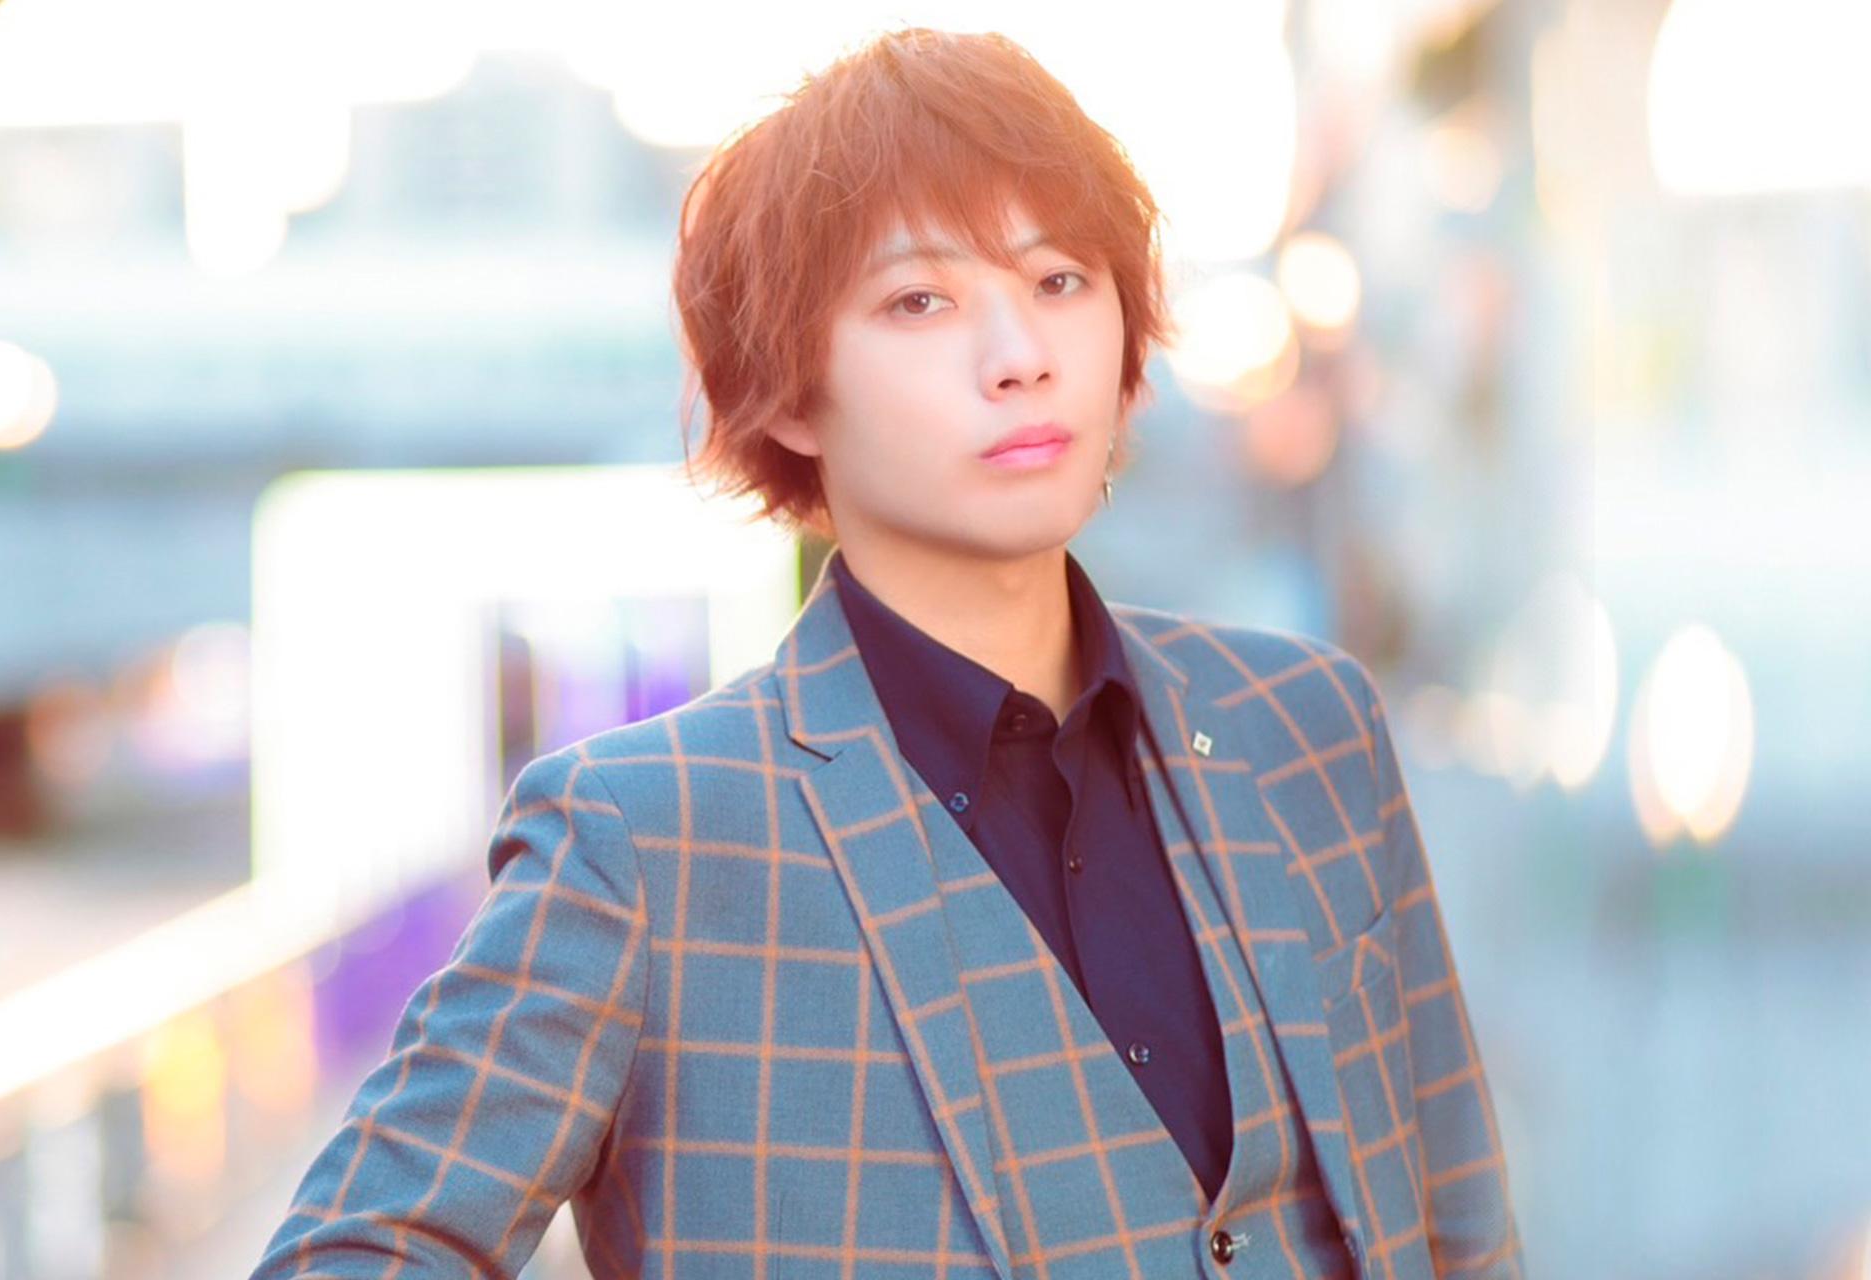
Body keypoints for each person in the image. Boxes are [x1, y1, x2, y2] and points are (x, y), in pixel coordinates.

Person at [249, 26, 1524, 1280]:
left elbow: (1462, 1227)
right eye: (922, 300)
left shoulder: (1307, 726)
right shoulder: (647, 842)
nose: (1020, 358)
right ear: (792, 391)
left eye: (1060, 281)